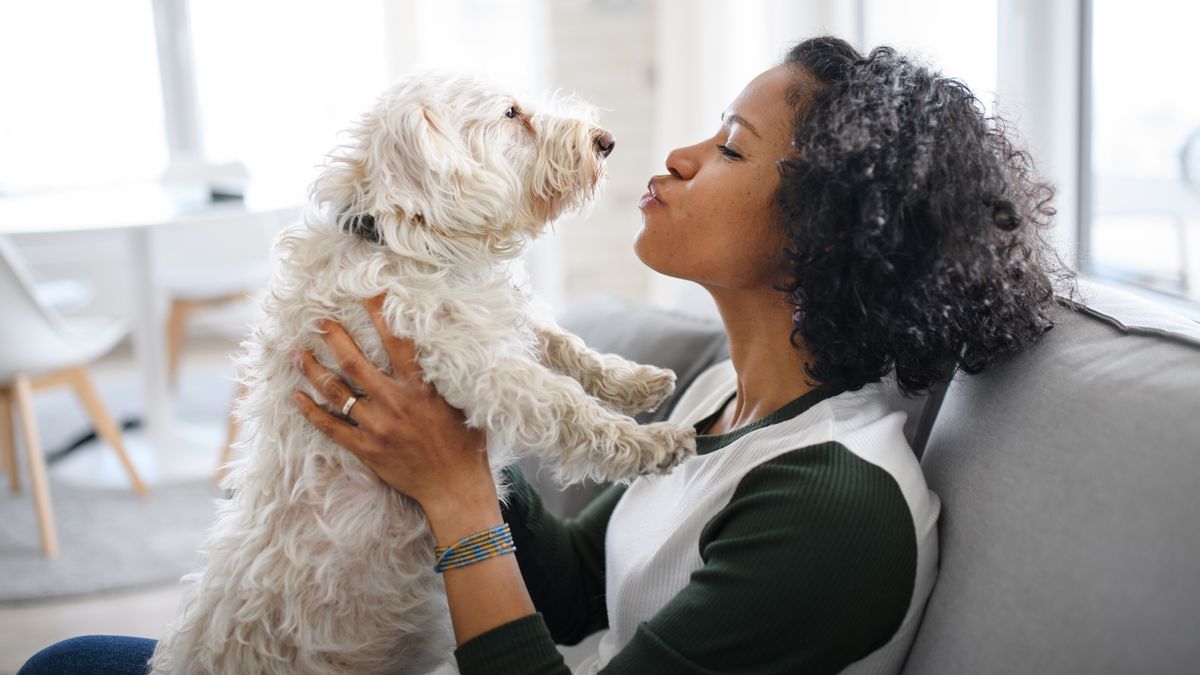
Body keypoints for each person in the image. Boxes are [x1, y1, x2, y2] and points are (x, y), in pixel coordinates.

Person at [19, 36, 1070, 675]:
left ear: (827, 232)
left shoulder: (836, 513)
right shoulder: (723, 399)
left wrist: (458, 493)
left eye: (732, 148)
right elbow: (570, 591)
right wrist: (429, 414)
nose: (676, 155)